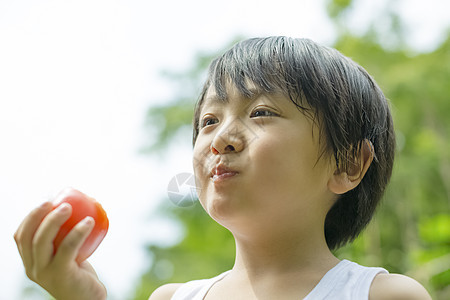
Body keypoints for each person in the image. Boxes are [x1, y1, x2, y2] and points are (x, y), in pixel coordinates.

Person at [14, 36, 431, 300]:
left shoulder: (384, 295)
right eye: (209, 121)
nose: (221, 138)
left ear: (348, 163)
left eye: (262, 112)